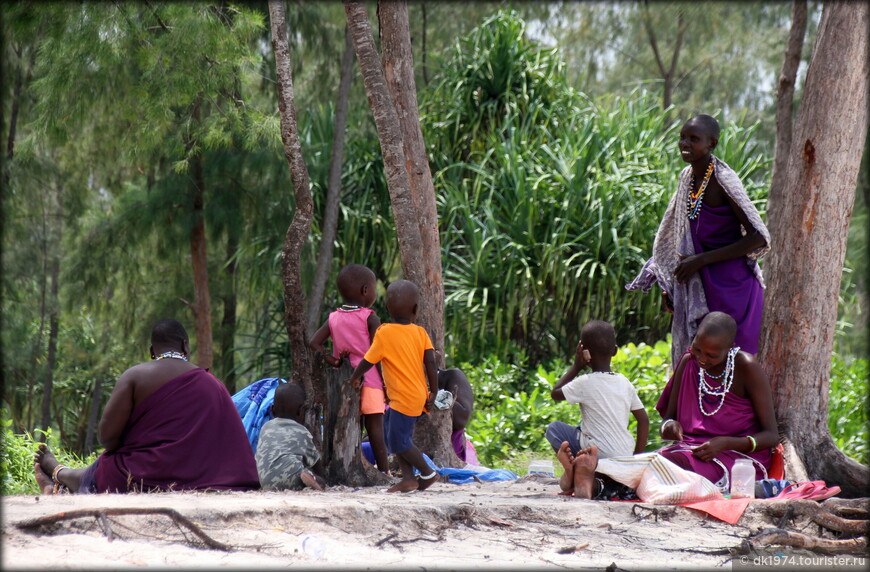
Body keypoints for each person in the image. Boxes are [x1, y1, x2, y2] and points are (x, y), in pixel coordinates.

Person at [33, 319, 260, 494]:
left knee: (107, 466)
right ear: (185, 346)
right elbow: (231, 446)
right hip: (206, 478)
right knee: (105, 467)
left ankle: (59, 473)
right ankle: (60, 476)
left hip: (142, 475)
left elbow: (108, 439)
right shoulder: (214, 385)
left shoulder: (135, 376)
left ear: (152, 351)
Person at [626, 114, 771, 367]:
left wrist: (700, 261)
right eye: (682, 137)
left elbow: (758, 238)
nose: (685, 143)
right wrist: (669, 283)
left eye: (694, 139)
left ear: (711, 144)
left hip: (733, 288)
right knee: (701, 364)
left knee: (735, 366)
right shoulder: (688, 178)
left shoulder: (723, 179)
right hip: (700, 284)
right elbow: (675, 236)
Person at [655, 311, 778, 491]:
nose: (702, 359)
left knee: (674, 472)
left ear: (730, 347)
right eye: (697, 349)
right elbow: (667, 421)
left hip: (738, 460)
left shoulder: (746, 367)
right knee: (653, 463)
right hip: (691, 452)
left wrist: (726, 443)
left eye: (712, 355)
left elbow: (771, 436)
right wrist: (670, 426)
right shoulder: (689, 361)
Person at [347, 280, 439, 493]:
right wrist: (433, 392)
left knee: (400, 440)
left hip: (403, 398)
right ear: (416, 309)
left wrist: (354, 376)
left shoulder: (384, 332)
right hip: (416, 395)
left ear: (387, 308)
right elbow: (431, 363)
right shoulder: (420, 332)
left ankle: (428, 472)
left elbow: (369, 360)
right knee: (394, 435)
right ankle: (408, 479)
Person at [546, 320, 649, 498]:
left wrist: (577, 366)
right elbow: (643, 420)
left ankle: (574, 469)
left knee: (554, 429)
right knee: (583, 431)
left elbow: (555, 393)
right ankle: (588, 480)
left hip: (596, 454)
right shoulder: (624, 382)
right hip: (623, 457)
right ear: (615, 351)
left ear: (584, 352)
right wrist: (635, 459)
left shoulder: (585, 382)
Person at [309, 264, 389, 474]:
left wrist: (332, 360)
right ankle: (384, 472)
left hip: (342, 383)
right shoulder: (370, 318)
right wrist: (386, 385)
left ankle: (342, 468)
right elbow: (376, 355)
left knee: (348, 426)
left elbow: (314, 343)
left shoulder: (334, 318)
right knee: (375, 429)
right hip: (370, 380)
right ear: (365, 290)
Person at [255, 382, 326, 491]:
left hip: (266, 483)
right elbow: (316, 463)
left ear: (272, 410)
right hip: (292, 480)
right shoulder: (301, 431)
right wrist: (323, 477)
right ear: (300, 410)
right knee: (319, 479)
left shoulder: (266, 428)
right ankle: (310, 477)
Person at [436, 367, 478, 465]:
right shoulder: (401, 381)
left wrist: (434, 392)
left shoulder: (452, 376)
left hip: (447, 455)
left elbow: (461, 421)